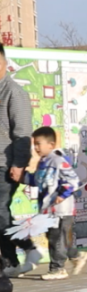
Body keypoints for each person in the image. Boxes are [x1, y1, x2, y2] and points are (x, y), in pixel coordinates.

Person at [21, 127, 87, 280]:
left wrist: (62, 194)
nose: (36, 148)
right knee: (58, 238)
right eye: (34, 144)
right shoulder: (43, 162)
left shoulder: (58, 160)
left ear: (51, 145)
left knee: (57, 239)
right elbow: (39, 181)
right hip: (48, 210)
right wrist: (22, 177)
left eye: (39, 144)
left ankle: (57, 268)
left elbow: (73, 181)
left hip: (62, 210)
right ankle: (77, 256)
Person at [0, 44, 41, 278]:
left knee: (0, 214)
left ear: (5, 63)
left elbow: (23, 131)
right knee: (1, 215)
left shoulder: (14, 93)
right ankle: (17, 256)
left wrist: (19, 164)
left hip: (6, 164)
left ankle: (19, 254)